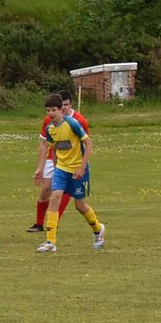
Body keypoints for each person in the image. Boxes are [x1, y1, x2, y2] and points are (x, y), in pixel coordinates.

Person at [37, 93, 105, 253]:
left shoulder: (73, 124)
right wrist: (55, 168)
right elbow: (52, 148)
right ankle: (50, 242)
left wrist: (82, 167)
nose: (51, 113)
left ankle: (98, 229)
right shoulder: (49, 129)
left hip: (77, 170)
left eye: (54, 110)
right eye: (48, 110)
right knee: (54, 198)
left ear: (61, 110)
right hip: (61, 169)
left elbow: (88, 144)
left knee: (80, 205)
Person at [29, 88, 90, 232]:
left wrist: (82, 166)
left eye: (66, 105)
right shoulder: (49, 121)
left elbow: (86, 143)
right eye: (61, 106)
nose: (63, 109)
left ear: (70, 105)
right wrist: (40, 167)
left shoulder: (78, 121)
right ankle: (39, 224)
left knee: (69, 198)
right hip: (55, 158)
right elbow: (45, 144)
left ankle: (53, 225)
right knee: (45, 190)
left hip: (74, 161)